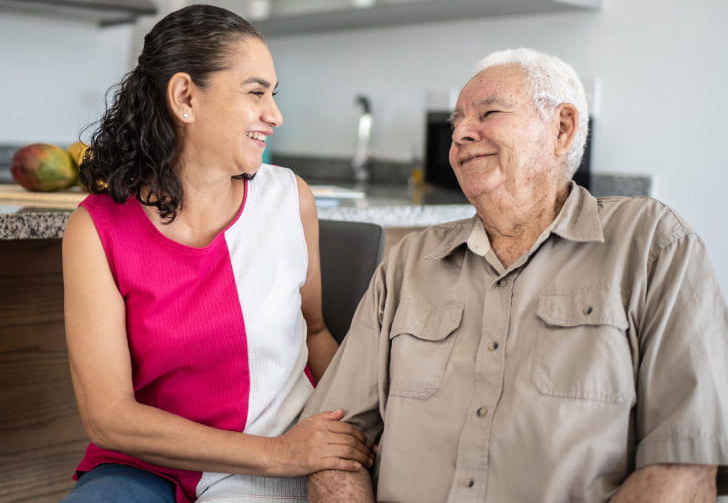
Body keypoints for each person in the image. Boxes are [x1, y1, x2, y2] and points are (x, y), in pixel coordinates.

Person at [303, 48, 728, 502]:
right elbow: (332, 446)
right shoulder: (411, 261)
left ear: (561, 129)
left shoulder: (651, 244)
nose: (462, 134)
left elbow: (685, 463)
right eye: (456, 124)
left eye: (489, 112)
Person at [60, 4, 372, 503]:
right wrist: (280, 453)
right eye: (256, 92)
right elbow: (107, 416)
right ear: (185, 97)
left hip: (275, 466)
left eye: (273, 94)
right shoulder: (96, 228)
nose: (275, 114)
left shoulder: (290, 199)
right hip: (152, 466)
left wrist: (353, 431)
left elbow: (314, 331)